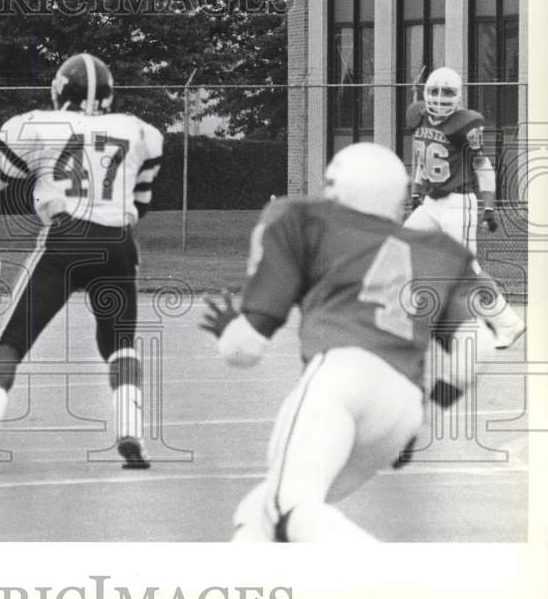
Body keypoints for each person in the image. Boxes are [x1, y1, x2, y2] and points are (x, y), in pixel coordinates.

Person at [201, 142, 493, 542]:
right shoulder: (440, 251)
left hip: (341, 378)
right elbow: (477, 351)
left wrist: (230, 331)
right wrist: (424, 413)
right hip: (401, 407)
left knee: (291, 506)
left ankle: (392, 585)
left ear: (335, 188)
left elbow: (245, 349)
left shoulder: (306, 220)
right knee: (261, 511)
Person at [0, 53, 163, 472]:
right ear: (110, 95)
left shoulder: (36, 124)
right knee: (120, 344)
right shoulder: (141, 131)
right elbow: (140, 203)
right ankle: (131, 431)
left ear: (59, 91)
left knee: (12, 339)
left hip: (66, 239)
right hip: (117, 244)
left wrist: (41, 184)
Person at [404, 66, 525, 349]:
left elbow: (482, 165)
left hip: (459, 203)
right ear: (425, 92)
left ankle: (508, 322)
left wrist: (489, 208)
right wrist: (417, 192)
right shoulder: (417, 114)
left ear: (458, 95)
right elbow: (422, 155)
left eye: (448, 92)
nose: (441, 97)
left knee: (467, 269)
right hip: (432, 202)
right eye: (435, 90)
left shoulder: (465, 123)